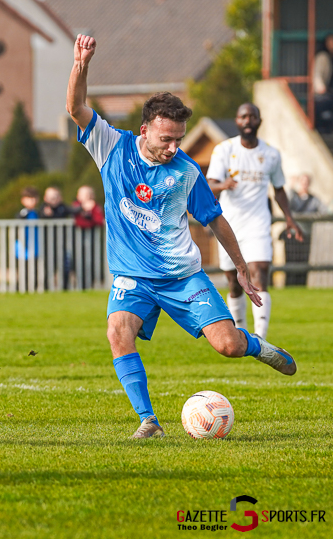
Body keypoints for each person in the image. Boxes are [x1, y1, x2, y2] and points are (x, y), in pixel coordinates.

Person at [67, 34, 297, 439]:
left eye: (179, 139)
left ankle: (260, 346)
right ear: (145, 130)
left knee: (226, 345)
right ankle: (149, 422)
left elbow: (216, 220)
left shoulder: (187, 171)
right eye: (165, 139)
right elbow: (76, 108)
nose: (174, 147)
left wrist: (241, 269)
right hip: (133, 276)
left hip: (182, 276)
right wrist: (81, 65)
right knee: (117, 330)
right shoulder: (112, 147)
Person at [206, 103, 302, 340]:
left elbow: (279, 190)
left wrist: (289, 218)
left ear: (259, 121)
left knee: (259, 272)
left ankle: (260, 336)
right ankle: (241, 332)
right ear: (237, 121)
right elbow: (209, 185)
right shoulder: (224, 150)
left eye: (252, 116)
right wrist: (223, 185)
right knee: (235, 283)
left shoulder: (271, 154)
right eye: (243, 116)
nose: (247, 120)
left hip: (258, 223)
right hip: (229, 224)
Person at [283, 173, 326, 286]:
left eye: (306, 182)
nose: (304, 184)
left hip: (306, 234)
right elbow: (285, 203)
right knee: (291, 261)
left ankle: (302, 284)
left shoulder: (314, 200)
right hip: (292, 234)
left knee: (303, 261)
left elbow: (325, 211)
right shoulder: (294, 197)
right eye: (302, 181)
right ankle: (289, 285)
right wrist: (291, 188)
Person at [313, 34, 333, 133]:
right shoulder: (323, 56)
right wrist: (320, 87)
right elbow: (317, 74)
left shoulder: (329, 56)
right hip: (322, 94)